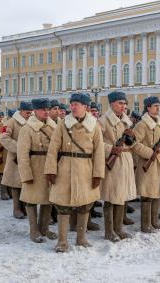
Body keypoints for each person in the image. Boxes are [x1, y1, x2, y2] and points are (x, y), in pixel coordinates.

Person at [45, 93, 104, 251]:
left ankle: (81, 238)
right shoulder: (63, 124)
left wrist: (98, 173)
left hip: (86, 168)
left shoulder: (94, 126)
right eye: (71, 104)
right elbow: (53, 148)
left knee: (85, 205)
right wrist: (50, 170)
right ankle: (62, 242)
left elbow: (99, 151)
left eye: (76, 104)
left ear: (85, 107)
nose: (73, 107)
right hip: (65, 167)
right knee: (63, 206)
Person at [98, 91, 137, 242]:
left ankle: (119, 228)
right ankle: (109, 231)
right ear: (112, 104)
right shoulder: (103, 121)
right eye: (120, 103)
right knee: (110, 196)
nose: (124, 106)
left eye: (125, 103)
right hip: (112, 161)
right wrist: (110, 149)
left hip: (126, 159)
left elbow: (132, 143)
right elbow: (95, 142)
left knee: (122, 195)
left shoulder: (127, 121)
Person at [17, 98, 57, 243]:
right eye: (42, 110)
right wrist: (26, 174)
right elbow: (22, 154)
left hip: (50, 167)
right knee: (31, 200)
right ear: (35, 111)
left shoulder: (54, 127)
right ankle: (34, 230)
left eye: (47, 109)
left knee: (48, 199)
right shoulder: (27, 129)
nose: (46, 112)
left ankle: (44, 228)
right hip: (34, 167)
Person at [132, 96, 160, 232]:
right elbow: (134, 143)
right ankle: (146, 224)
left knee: (157, 192)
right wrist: (149, 152)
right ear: (148, 108)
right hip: (147, 162)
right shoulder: (142, 124)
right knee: (147, 194)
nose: (158, 108)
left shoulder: (159, 123)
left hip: (158, 161)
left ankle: (154, 221)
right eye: (155, 106)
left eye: (159, 106)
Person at [0, 102, 33, 218]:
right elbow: (4, 138)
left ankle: (24, 208)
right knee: (15, 184)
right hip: (15, 158)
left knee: (25, 183)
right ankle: (16, 209)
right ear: (21, 111)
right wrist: (20, 148)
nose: (29, 115)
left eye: (31, 112)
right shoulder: (11, 122)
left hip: (29, 158)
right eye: (27, 112)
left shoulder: (32, 122)